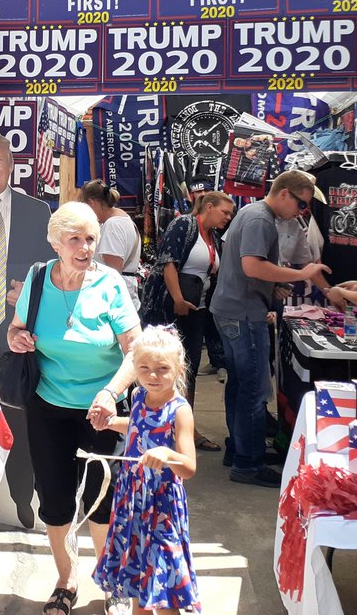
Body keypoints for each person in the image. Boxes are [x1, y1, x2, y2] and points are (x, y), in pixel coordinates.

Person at [7, 202, 141, 615]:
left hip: (101, 410)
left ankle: (109, 580)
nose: (85, 248)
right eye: (75, 240)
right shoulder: (37, 278)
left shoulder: (110, 283)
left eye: (91, 239)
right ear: (55, 243)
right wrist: (16, 339)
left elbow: (135, 351)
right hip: (47, 406)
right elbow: (16, 328)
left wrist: (111, 391)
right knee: (55, 497)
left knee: (102, 498)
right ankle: (66, 581)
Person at [210, 170, 330, 487]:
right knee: (251, 388)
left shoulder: (253, 214)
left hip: (235, 309)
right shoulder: (260, 219)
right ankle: (248, 463)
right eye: (302, 204)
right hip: (243, 313)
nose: (303, 212)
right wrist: (298, 273)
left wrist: (270, 285)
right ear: (285, 194)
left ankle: (239, 451)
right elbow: (251, 265)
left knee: (239, 386)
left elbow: (245, 267)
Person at [0, 130, 53, 528]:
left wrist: (29, 290)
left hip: (19, 333)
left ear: (12, 164)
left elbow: (52, 271)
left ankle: (22, 497)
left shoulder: (37, 212)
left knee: (19, 417)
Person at [93, 326, 199, 615]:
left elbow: (188, 467)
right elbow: (139, 427)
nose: (153, 375)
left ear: (178, 369)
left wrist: (167, 454)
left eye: (162, 368)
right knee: (139, 581)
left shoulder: (179, 410)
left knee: (163, 588)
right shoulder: (139, 396)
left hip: (162, 507)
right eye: (145, 368)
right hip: (132, 501)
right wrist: (112, 422)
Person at [141, 191, 236, 452]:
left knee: (188, 370)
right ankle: (155, 426)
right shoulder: (184, 224)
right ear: (208, 206)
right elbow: (168, 263)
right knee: (160, 367)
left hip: (197, 310)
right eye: (224, 212)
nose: (228, 218)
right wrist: (178, 299)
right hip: (170, 310)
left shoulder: (213, 236)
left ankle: (184, 428)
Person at [80, 179, 143, 311]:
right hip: (123, 296)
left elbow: (113, 273)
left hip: (115, 302)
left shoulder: (113, 226)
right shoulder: (123, 219)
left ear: (91, 203)